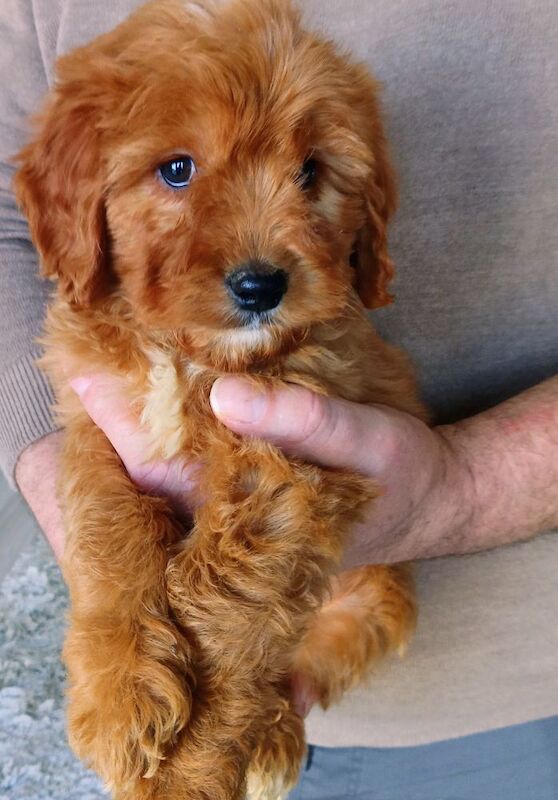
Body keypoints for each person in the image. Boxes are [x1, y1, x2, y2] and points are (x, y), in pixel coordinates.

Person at [1, 0, 557, 797]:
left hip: (503, 684)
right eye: (178, 171)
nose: (259, 255)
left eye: (307, 175)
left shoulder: (314, 346)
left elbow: (278, 510)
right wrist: (76, 515)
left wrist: (467, 486)